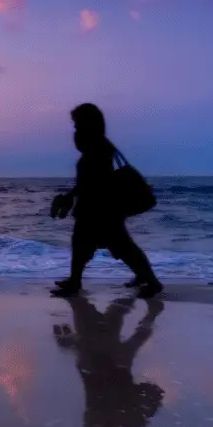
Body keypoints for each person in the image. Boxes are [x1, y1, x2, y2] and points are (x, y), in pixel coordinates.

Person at [53, 296, 165, 427]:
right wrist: (71, 342)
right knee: (103, 311)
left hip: (107, 361)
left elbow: (150, 395)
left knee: (110, 314)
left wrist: (71, 342)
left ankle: (147, 303)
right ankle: (142, 297)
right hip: (106, 362)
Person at [50, 104, 162, 298]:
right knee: (89, 244)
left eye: (77, 125)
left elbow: (95, 181)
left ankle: (152, 282)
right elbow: (87, 181)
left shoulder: (98, 150)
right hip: (98, 207)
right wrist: (70, 196)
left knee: (122, 247)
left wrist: (70, 197)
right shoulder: (98, 147)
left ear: (88, 124)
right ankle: (75, 280)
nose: (75, 130)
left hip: (101, 209)